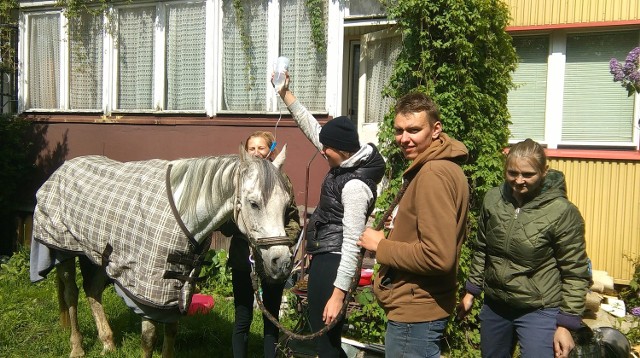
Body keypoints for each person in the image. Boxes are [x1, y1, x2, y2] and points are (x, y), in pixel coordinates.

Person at [276, 73, 385, 357]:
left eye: (327, 149)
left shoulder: (355, 187)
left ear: (343, 151)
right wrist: (286, 94)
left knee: (326, 342)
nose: (321, 151)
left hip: (336, 262)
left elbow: (352, 244)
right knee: (325, 342)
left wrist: (338, 295)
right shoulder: (346, 159)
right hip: (325, 257)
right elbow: (315, 131)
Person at [356, 92, 470, 358]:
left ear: (435, 129)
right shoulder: (441, 167)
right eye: (399, 130)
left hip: (416, 313)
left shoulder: (433, 174)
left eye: (414, 130)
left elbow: (438, 256)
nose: (404, 139)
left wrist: (381, 246)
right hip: (420, 309)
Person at [456, 138, 591, 358]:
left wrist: (566, 324)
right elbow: (482, 248)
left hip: (539, 309)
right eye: (512, 173)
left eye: (528, 174)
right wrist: (471, 291)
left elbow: (575, 272)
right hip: (496, 305)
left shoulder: (562, 212)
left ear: (544, 171)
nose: (519, 181)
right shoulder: (493, 200)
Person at [218, 131, 301, 358]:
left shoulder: (281, 181)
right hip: (243, 259)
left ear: (270, 151)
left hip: (273, 257)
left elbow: (293, 219)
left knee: (271, 317)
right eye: (251, 148)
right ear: (245, 153)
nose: (256, 152)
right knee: (242, 318)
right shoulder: (239, 183)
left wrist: (284, 244)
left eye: (261, 148)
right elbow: (225, 223)